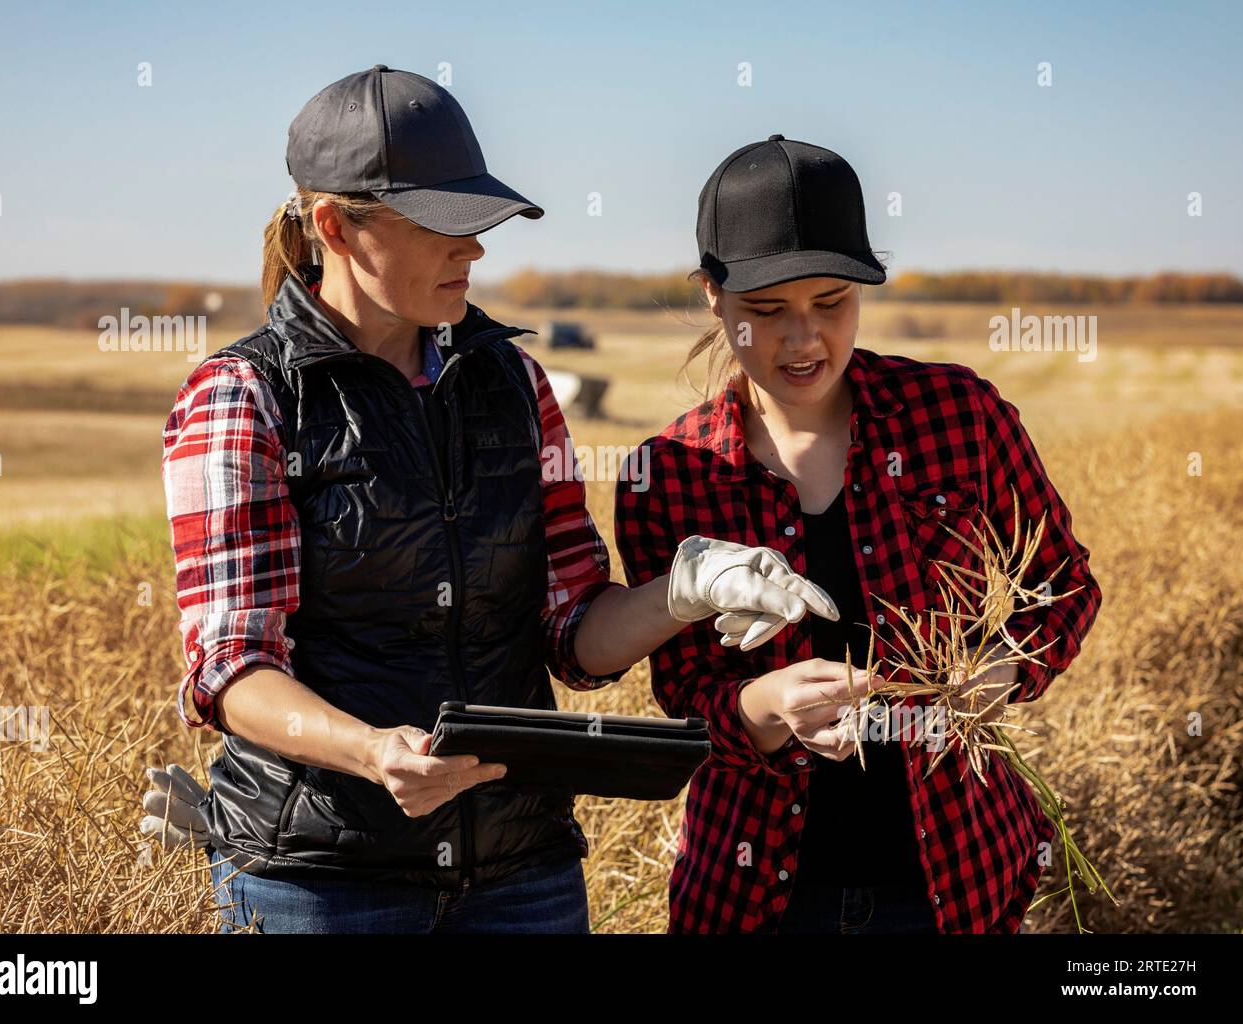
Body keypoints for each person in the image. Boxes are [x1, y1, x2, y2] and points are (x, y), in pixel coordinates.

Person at [150, 69, 839, 934]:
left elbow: (575, 637)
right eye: (445, 224)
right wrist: (371, 752)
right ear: (334, 227)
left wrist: (684, 591)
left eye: (478, 224)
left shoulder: (514, 384)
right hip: (321, 880)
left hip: (523, 873)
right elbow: (231, 669)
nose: (474, 250)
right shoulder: (246, 398)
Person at [614, 135, 1103, 933]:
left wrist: (994, 678)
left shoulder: (958, 414)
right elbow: (684, 693)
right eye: (767, 313)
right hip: (753, 893)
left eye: (832, 304)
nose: (804, 340)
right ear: (712, 296)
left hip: (957, 876)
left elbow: (1065, 586)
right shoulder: (668, 471)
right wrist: (763, 706)